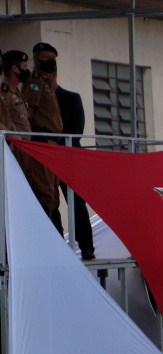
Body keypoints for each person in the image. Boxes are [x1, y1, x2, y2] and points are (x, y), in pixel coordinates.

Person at [51, 71, 96, 259]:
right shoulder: (33, 98)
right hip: (47, 160)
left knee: (76, 203)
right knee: (50, 203)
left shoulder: (71, 98)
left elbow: (77, 131)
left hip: (69, 160)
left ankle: (87, 248)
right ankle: (57, 245)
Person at [22, 42, 62, 218]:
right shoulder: (35, 82)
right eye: (47, 57)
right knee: (44, 193)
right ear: (36, 59)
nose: (51, 61)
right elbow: (29, 113)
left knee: (54, 195)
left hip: (53, 142)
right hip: (42, 141)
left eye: (53, 58)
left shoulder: (47, 82)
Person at [1, 50, 43, 210]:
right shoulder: (4, 91)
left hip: (25, 150)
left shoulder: (17, 91)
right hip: (15, 149)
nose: (28, 70)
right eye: (25, 66)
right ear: (15, 69)